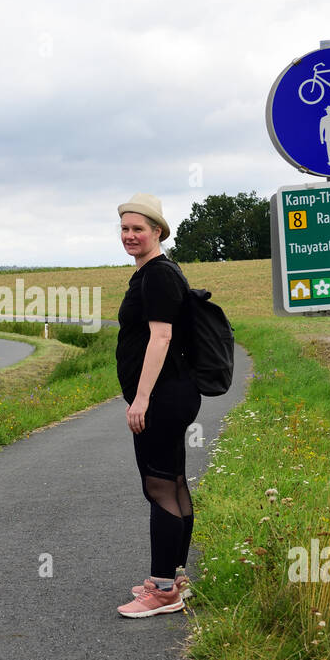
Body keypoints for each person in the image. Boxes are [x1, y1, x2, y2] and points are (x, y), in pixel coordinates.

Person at [114, 193, 202, 618]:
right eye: (126, 229)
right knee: (175, 484)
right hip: (171, 394)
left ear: (158, 232)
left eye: (139, 229)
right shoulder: (155, 273)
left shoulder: (157, 276)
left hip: (162, 397)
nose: (131, 236)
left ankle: (163, 590)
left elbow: (161, 337)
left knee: (159, 487)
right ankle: (173, 576)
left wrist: (142, 399)